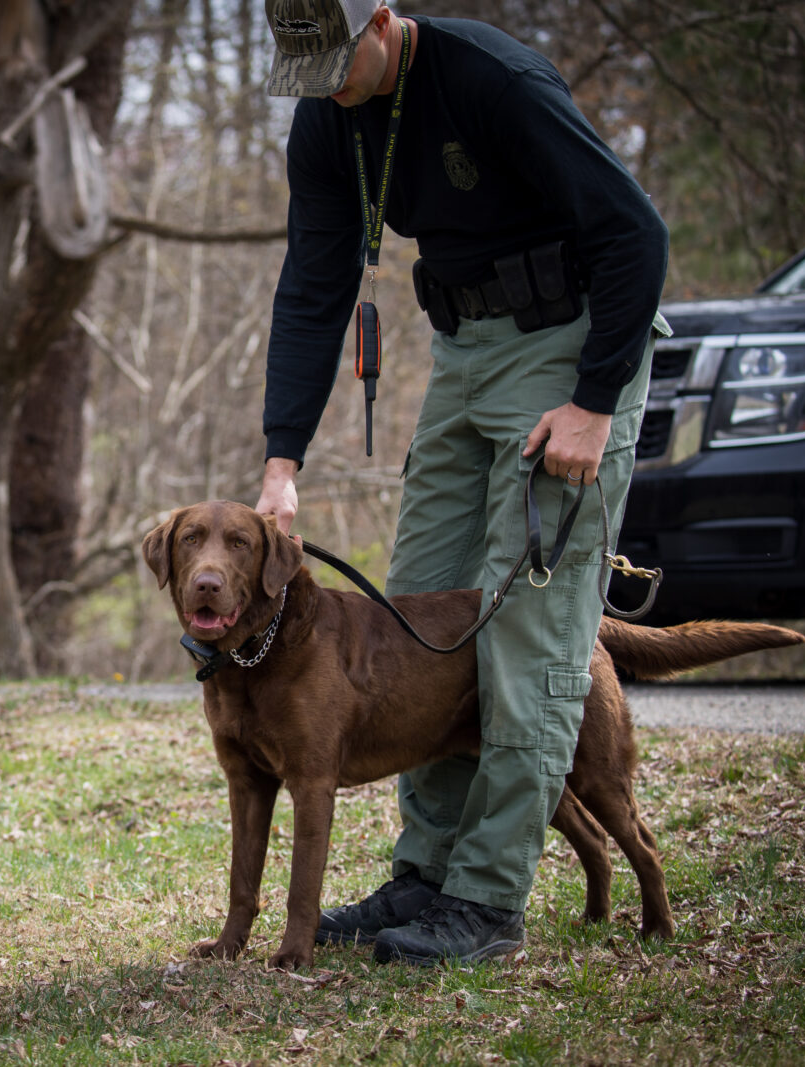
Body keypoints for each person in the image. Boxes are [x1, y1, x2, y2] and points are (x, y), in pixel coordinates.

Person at [255, 0, 670, 965]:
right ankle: (428, 873)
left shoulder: (495, 79)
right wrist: (283, 461)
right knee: (418, 614)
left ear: (384, 19)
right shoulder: (326, 117)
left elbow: (635, 235)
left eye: (338, 62)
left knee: (527, 629)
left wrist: (596, 402)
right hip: (466, 347)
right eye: (308, 71)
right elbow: (313, 283)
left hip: (571, 343)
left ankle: (487, 900)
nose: (330, 87)